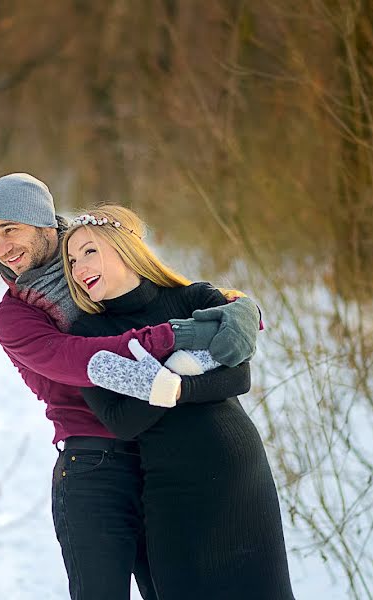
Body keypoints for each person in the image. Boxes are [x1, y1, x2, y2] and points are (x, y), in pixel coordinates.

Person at [0, 173, 258, 600]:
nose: (1, 247)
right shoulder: (15, 316)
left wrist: (238, 307)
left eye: (9, 229)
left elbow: (164, 290)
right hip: (95, 464)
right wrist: (175, 336)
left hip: (158, 455)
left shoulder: (97, 259)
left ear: (43, 222)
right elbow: (84, 358)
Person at [62, 205, 295, 600]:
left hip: (239, 474)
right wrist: (176, 379)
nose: (79, 267)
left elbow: (239, 376)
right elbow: (120, 421)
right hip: (172, 488)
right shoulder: (88, 333)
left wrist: (174, 382)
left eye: (89, 251)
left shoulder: (193, 298)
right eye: (71, 260)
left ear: (124, 247)